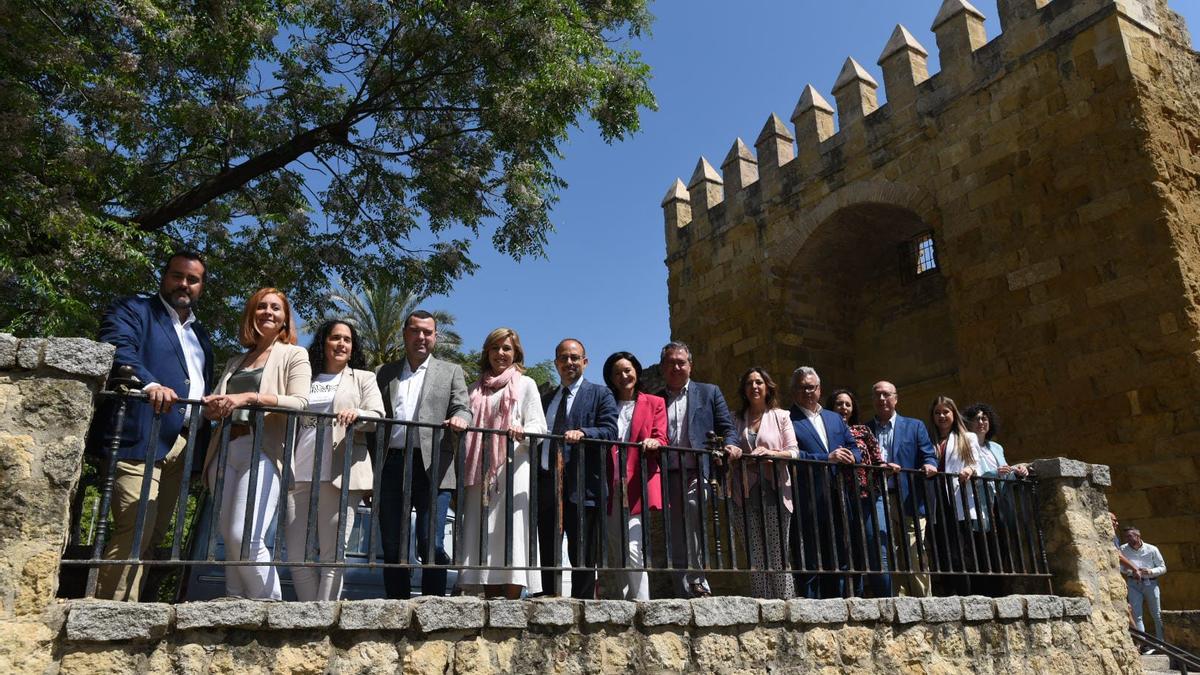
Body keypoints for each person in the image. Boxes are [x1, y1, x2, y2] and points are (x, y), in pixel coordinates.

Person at [87, 251, 215, 601]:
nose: (184, 284)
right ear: (165, 277)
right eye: (177, 276)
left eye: (192, 279)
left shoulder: (201, 336)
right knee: (136, 526)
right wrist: (149, 384)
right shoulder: (135, 310)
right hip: (141, 432)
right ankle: (107, 613)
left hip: (182, 444)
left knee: (156, 532)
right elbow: (117, 349)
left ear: (201, 286)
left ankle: (133, 608)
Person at [202, 287, 311, 600]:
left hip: (262, 448)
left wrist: (250, 397)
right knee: (228, 535)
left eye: (276, 308)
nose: (268, 312)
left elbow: (301, 402)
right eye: (261, 306)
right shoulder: (237, 360)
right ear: (251, 314)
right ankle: (235, 600)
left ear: (285, 319)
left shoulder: (294, 355)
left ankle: (269, 604)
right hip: (224, 449)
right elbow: (222, 401)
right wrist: (212, 404)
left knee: (245, 534)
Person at [373, 310, 471, 599]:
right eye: (416, 331)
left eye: (428, 332)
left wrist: (461, 419)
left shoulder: (451, 371)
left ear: (435, 337)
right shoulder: (384, 372)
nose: (421, 337)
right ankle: (397, 605)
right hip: (392, 463)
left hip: (435, 465)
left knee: (432, 542)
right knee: (392, 542)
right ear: (405, 333)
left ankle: (432, 606)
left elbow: (462, 407)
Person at [284, 320, 384, 601]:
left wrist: (358, 413)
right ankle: (310, 612)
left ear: (352, 348)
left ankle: (323, 618)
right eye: (335, 338)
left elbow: (378, 414)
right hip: (298, 472)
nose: (341, 344)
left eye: (347, 340)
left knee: (332, 554)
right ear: (323, 343)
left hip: (340, 473)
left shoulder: (362, 378)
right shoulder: (307, 377)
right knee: (295, 555)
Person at [459, 328, 547, 598]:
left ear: (515, 353)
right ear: (487, 351)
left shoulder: (525, 384)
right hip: (479, 470)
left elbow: (539, 427)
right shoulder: (474, 388)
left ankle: (511, 600)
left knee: (512, 530)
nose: (501, 353)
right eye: (495, 348)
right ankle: (490, 598)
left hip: (513, 467)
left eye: (507, 348)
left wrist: (522, 430)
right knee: (483, 531)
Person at [656, 341, 741, 598]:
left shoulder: (708, 392)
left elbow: (728, 428)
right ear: (662, 368)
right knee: (673, 528)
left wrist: (732, 445)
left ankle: (697, 581)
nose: (676, 367)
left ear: (690, 366)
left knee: (694, 514)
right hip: (666, 472)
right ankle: (681, 588)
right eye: (670, 363)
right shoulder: (655, 399)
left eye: (681, 362)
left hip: (697, 470)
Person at [537, 338, 617, 598]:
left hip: (583, 485)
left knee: (582, 552)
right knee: (547, 548)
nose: (569, 362)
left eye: (574, 357)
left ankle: (582, 604)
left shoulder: (600, 393)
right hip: (548, 482)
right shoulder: (546, 398)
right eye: (563, 358)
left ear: (585, 361)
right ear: (556, 363)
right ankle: (549, 598)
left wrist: (583, 432)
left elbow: (610, 431)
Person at [788, 367, 861, 598]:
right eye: (802, 387)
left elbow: (854, 448)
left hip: (837, 495)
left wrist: (852, 457)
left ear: (819, 389)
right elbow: (792, 455)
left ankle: (838, 600)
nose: (807, 391)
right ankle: (811, 603)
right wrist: (826, 459)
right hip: (807, 496)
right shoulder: (788, 418)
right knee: (809, 554)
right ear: (794, 390)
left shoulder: (834, 418)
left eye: (811, 387)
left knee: (839, 552)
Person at [600, 351, 667, 601]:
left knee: (633, 547)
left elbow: (661, 436)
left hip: (637, 481)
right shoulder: (607, 404)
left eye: (627, 370)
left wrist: (653, 441)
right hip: (610, 481)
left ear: (636, 371)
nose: (623, 376)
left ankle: (641, 602)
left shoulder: (653, 402)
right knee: (616, 547)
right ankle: (622, 600)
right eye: (617, 373)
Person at [731, 367, 799, 599]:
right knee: (755, 551)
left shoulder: (782, 416)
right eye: (749, 383)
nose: (754, 387)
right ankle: (762, 601)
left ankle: (785, 601)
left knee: (777, 548)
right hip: (745, 491)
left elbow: (794, 452)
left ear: (768, 386)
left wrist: (771, 453)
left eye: (759, 382)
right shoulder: (736, 419)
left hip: (775, 489)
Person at [867, 381, 938, 597]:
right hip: (879, 497)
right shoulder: (865, 429)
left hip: (909, 497)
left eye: (886, 395)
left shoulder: (914, 426)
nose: (882, 399)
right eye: (877, 395)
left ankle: (923, 601)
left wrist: (930, 465)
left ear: (896, 399)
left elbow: (928, 454)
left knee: (915, 550)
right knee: (889, 550)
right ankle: (900, 601)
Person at [828, 388, 891, 598]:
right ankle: (855, 598)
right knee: (849, 550)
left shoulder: (863, 431)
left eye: (847, 404)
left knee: (876, 546)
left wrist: (886, 468)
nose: (843, 408)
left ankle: (886, 599)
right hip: (841, 498)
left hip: (869, 495)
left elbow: (877, 457)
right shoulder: (827, 431)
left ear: (853, 408)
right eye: (839, 404)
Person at [929, 395, 986, 596]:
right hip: (937, 500)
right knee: (942, 548)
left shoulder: (967, 437)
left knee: (961, 549)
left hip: (958, 497)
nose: (942, 416)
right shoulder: (930, 440)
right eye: (937, 413)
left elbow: (976, 463)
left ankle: (966, 594)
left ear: (953, 414)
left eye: (946, 412)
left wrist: (970, 470)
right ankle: (948, 592)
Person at [1121, 526, 1167, 643]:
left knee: (1157, 614)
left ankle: (1161, 643)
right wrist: (1131, 571)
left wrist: (1151, 571)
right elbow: (1121, 567)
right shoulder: (1123, 549)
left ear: (1138, 535)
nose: (1127, 539)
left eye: (1130, 536)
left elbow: (1163, 567)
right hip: (1133, 583)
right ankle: (1143, 643)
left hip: (1150, 583)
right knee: (1137, 615)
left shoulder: (1152, 549)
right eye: (1126, 537)